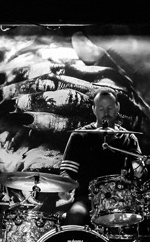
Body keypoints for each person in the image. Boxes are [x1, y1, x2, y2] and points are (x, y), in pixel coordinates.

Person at [57, 89, 144, 226]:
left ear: (118, 108)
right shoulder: (79, 136)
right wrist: (64, 187)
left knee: (143, 219)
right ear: (94, 109)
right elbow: (68, 171)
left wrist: (138, 169)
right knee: (75, 216)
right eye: (101, 108)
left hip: (121, 199)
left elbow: (139, 171)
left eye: (110, 108)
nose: (106, 113)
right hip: (87, 198)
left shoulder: (129, 138)